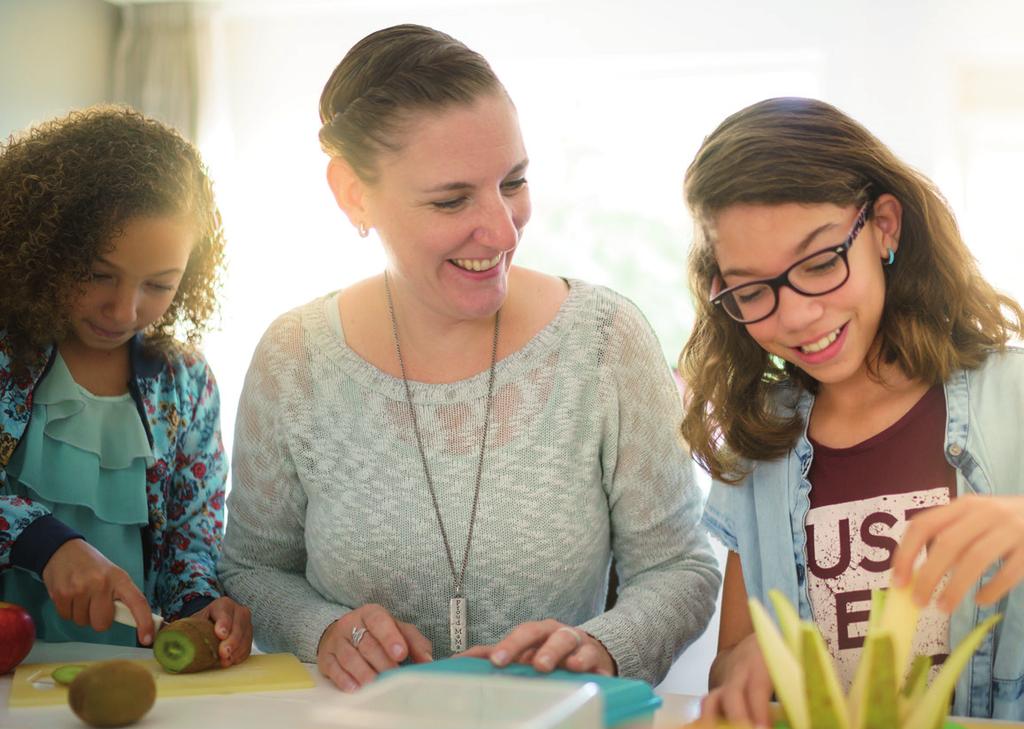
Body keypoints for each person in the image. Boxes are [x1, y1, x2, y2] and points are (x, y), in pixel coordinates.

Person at [220, 24, 720, 692]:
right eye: (453, 199)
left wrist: (601, 645)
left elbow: (679, 569)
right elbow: (250, 570)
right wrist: (322, 628)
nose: (504, 229)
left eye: (513, 182)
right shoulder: (295, 358)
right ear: (352, 192)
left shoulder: (605, 341)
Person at [678, 97, 1024, 726]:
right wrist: (749, 660)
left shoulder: (1015, 395)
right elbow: (730, 658)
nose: (796, 315)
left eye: (818, 263)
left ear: (885, 227)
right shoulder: (763, 444)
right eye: (752, 290)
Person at [0, 106, 252, 665]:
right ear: (44, 246)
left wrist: (203, 605)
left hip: (140, 674)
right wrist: (45, 543)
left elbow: (192, 542)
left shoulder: (186, 385)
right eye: (97, 275)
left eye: (159, 285)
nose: (125, 309)